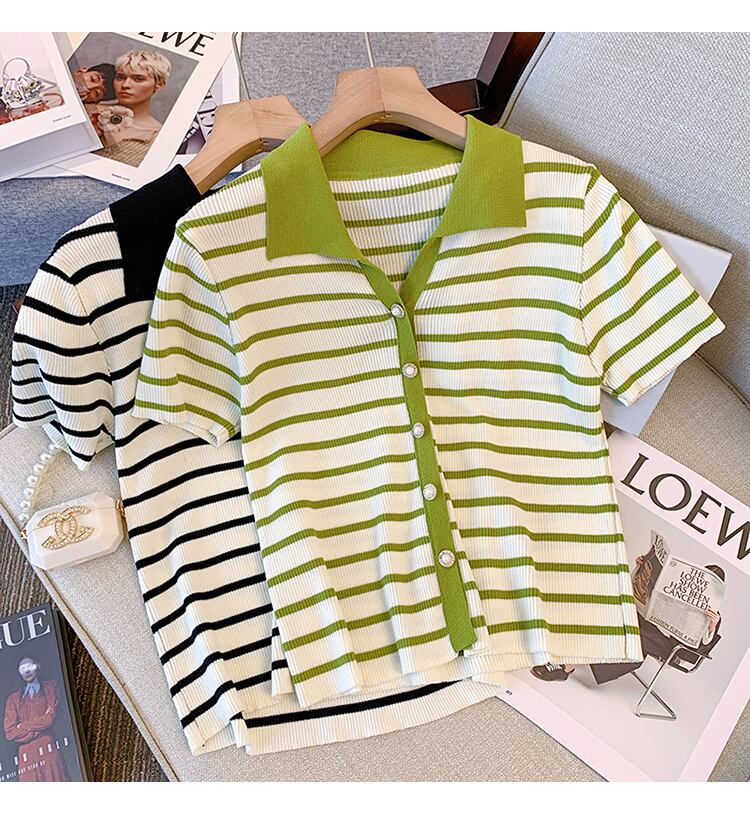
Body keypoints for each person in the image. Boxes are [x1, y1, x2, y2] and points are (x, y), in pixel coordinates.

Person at [530, 563, 724, 684]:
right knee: (612, 611)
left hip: (669, 647)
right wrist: (641, 569)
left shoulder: (714, 616)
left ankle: (565, 666)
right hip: (647, 625)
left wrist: (711, 628)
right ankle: (567, 654)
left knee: (631, 636)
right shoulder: (675, 588)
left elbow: (693, 654)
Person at [90, 48, 171, 167]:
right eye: (120, 77)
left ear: (159, 84)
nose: (125, 85)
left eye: (138, 79)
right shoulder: (89, 111)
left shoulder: (159, 137)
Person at [3, 656, 70, 781]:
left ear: (38, 666)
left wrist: (22, 726)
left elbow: (49, 719)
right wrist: (40, 725)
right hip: (26, 755)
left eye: (30, 666)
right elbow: (10, 733)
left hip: (48, 748)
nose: (27, 671)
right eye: (23, 668)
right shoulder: (13, 699)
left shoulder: (50, 687)